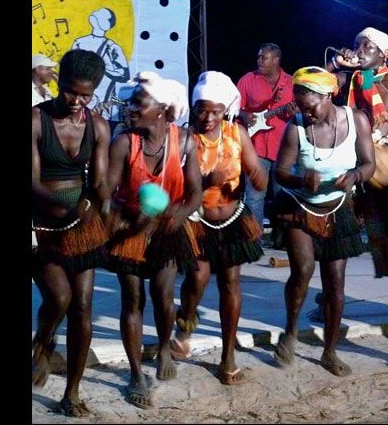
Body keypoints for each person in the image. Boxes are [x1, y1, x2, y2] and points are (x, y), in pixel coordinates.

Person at [101, 71, 199, 408]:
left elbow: (195, 194)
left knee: (162, 294)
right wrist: (125, 215)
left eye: (138, 103)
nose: (130, 108)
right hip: (130, 229)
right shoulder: (123, 143)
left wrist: (178, 215)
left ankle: (162, 348)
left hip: (167, 229)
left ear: (162, 109)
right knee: (132, 300)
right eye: (130, 103)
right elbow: (107, 193)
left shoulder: (185, 140)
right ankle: (135, 375)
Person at [271, 67, 374, 376]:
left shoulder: (356, 120)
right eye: (301, 107)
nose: (306, 113)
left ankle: (330, 350)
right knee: (302, 271)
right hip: (300, 207)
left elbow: (369, 164)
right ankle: (290, 331)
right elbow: (280, 171)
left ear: (328, 96)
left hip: (339, 208)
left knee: (336, 283)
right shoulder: (296, 126)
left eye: (310, 106)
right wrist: (302, 179)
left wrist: (355, 175)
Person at [170, 71, 268, 385]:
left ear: (225, 109)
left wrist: (256, 176)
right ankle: (185, 322)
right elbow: (186, 184)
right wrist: (213, 178)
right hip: (196, 219)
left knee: (230, 282)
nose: (208, 117)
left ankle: (227, 357)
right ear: (193, 108)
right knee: (197, 278)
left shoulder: (237, 133)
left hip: (231, 219)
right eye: (201, 109)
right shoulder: (185, 137)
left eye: (214, 110)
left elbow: (257, 175)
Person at [31, 49, 112, 417]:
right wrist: (64, 209)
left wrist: (100, 202)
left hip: (82, 223)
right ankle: (43, 342)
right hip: (43, 225)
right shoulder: (36, 120)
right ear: (58, 83)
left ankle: (72, 392)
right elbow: (31, 183)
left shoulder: (98, 126)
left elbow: (98, 181)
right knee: (59, 298)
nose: (77, 101)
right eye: (70, 92)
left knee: (82, 307)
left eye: (86, 95)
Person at [325, 27, 388, 312]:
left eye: (367, 46)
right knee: (337, 230)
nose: (359, 49)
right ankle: (330, 299)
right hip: (351, 158)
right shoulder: (347, 78)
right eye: (357, 44)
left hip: (387, 168)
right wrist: (334, 64)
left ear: (384, 54)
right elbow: (315, 88)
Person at [236, 43, 296, 240]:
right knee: (254, 197)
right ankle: (255, 241)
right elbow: (233, 107)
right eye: (259, 57)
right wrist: (244, 115)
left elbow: (307, 110)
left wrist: (297, 113)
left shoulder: (292, 83)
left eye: (264, 57)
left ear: (276, 60)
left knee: (285, 195)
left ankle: (284, 240)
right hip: (256, 148)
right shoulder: (248, 80)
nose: (259, 60)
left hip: (285, 149)